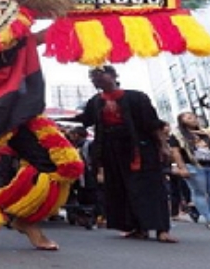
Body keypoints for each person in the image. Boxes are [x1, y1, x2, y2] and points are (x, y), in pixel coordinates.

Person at [74, 66, 177, 243]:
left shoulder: (136, 97)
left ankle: (162, 229)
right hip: (112, 150)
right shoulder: (96, 101)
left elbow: (153, 124)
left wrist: (163, 146)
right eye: (93, 77)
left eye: (100, 74)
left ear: (114, 76)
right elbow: (86, 120)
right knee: (123, 188)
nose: (96, 79)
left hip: (141, 148)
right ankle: (138, 227)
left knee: (150, 187)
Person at [169, 112, 210, 229]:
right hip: (194, 166)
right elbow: (175, 152)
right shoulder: (177, 135)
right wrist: (182, 168)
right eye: (189, 118)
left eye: (194, 117)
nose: (194, 119)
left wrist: (208, 135)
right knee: (199, 193)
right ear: (182, 121)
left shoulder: (205, 132)